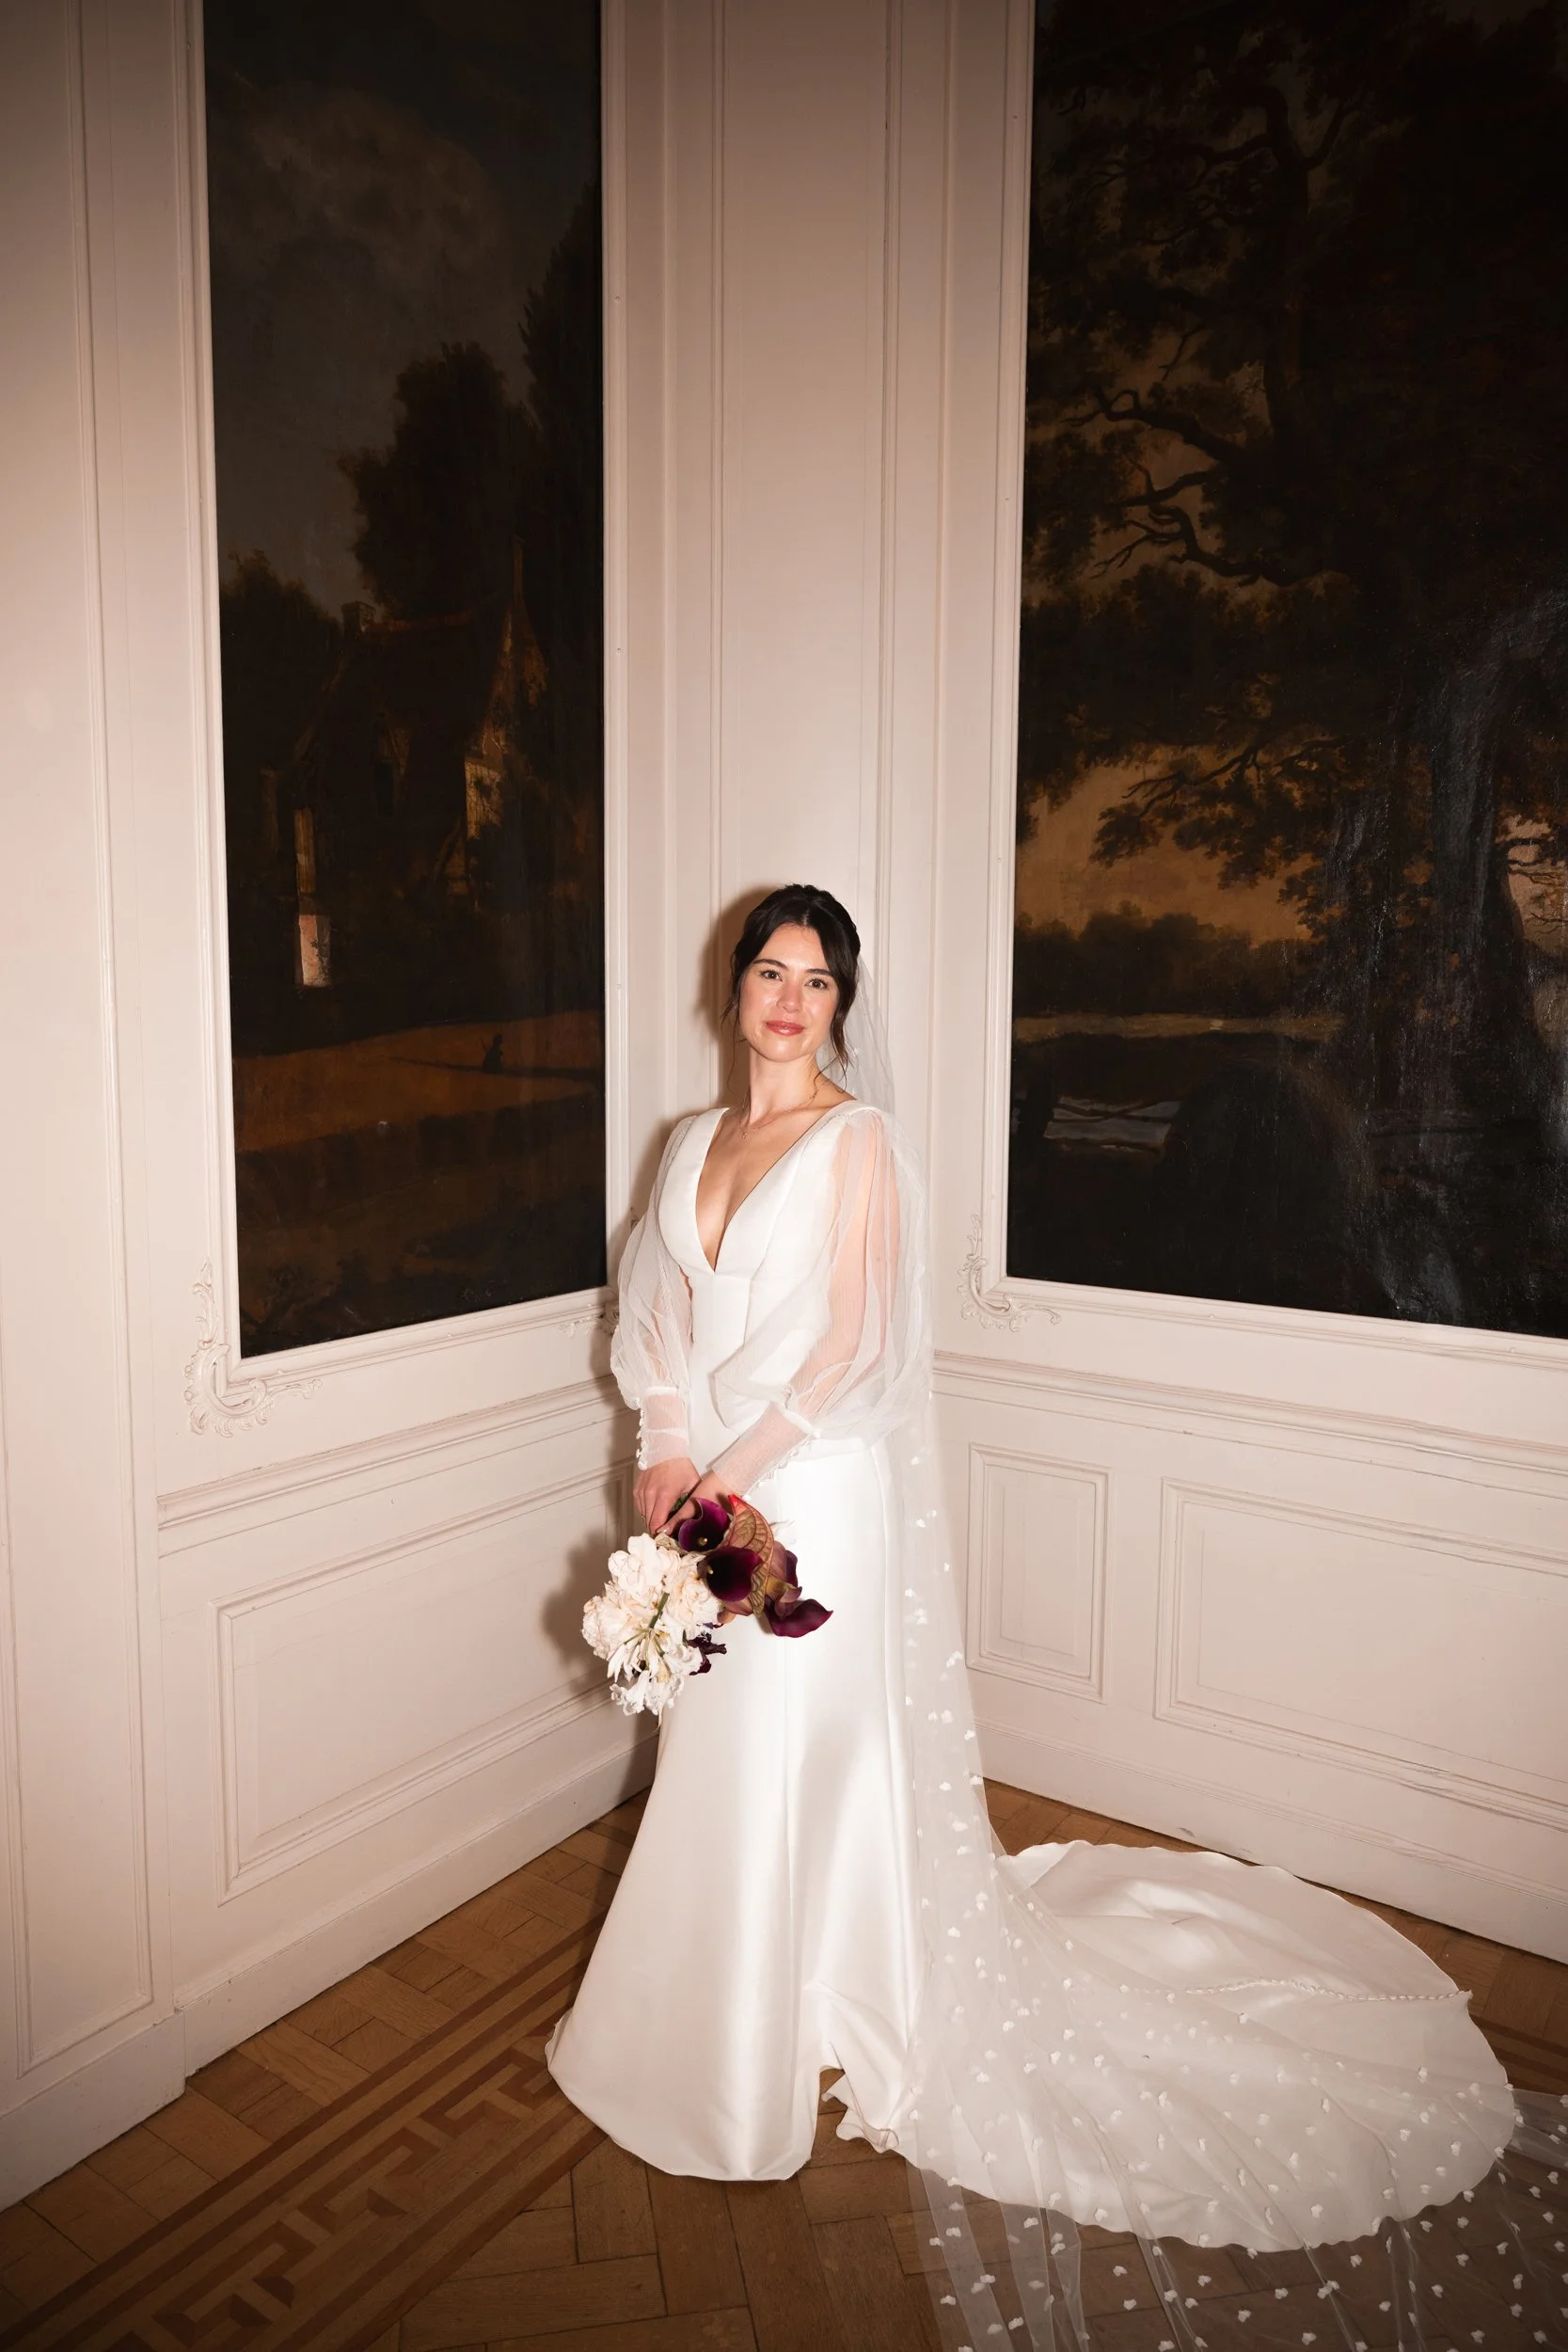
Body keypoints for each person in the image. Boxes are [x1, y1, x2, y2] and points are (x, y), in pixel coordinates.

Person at [547, 883, 1560, 2351]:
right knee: (715, 1750)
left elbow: (855, 1344)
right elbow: (649, 1315)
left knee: (795, 1744)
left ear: (842, 1005)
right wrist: (658, 1451)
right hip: (696, 1491)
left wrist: (732, 1478)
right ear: (732, 989)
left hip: (805, 1492)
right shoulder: (686, 1144)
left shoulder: (858, 1143)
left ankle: (835, 1986)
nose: (788, 999)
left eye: (816, 981)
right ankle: (725, 2007)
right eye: (768, 971)